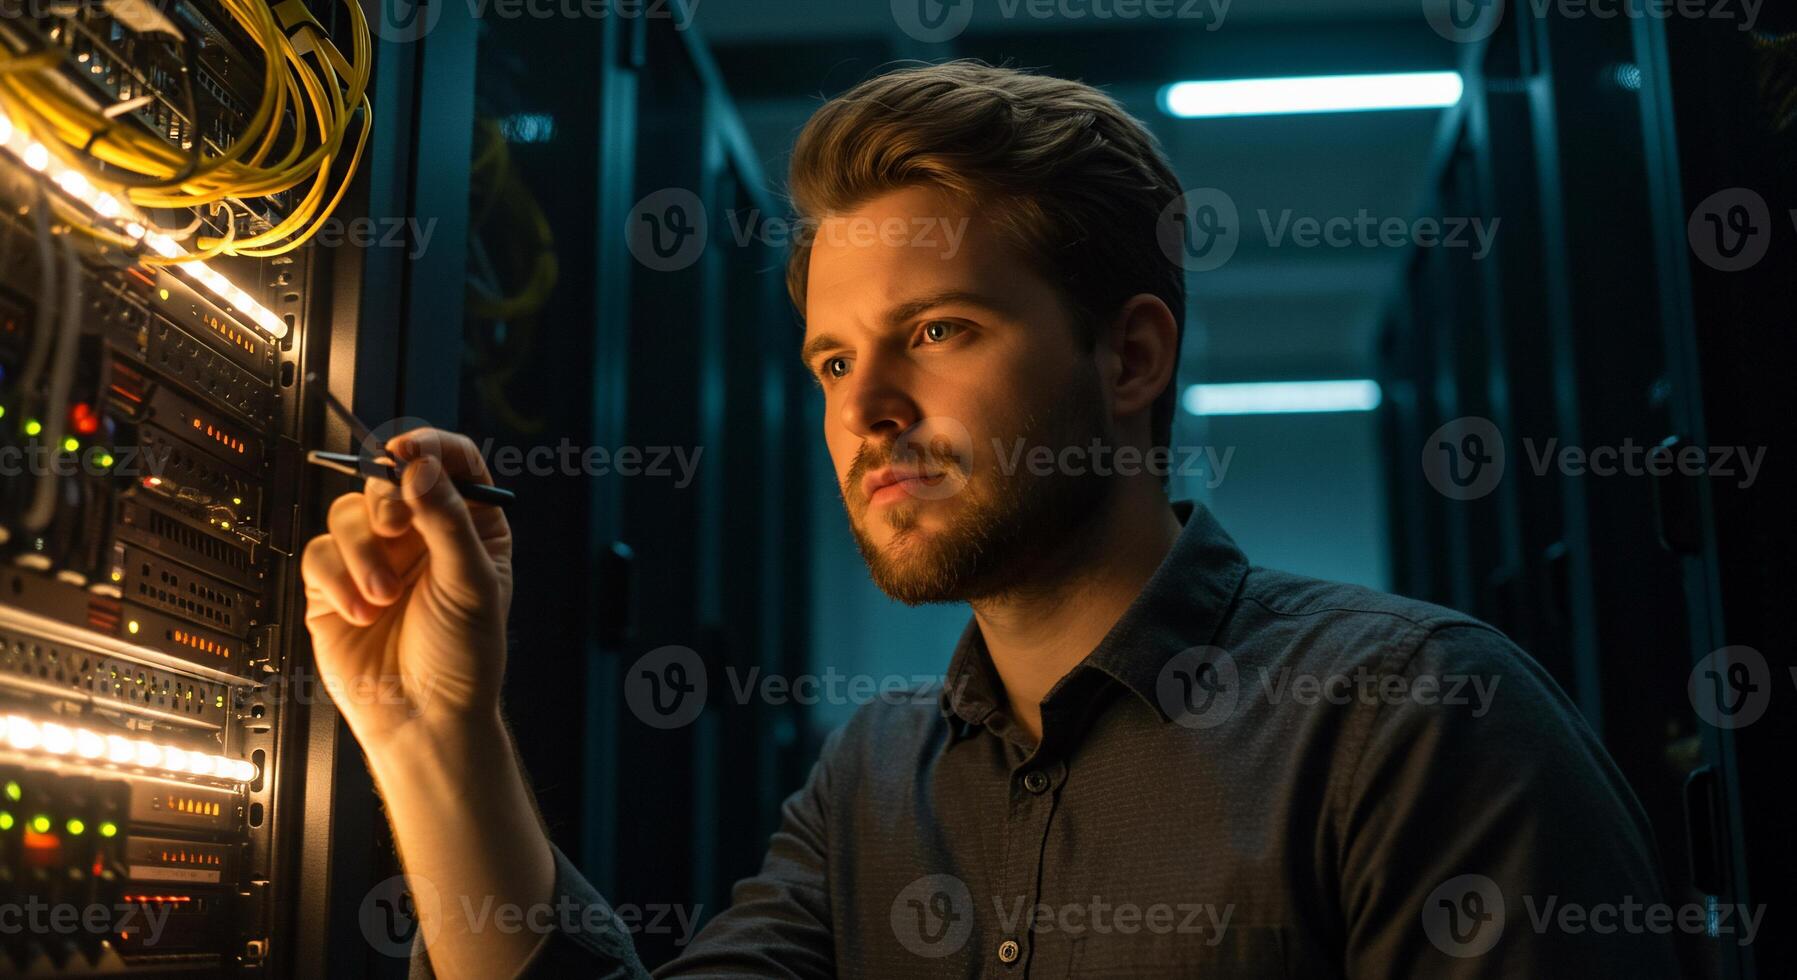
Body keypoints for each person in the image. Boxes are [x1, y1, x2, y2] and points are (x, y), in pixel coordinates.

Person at [301, 61, 1680, 978]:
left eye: (937, 331)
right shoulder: (874, 781)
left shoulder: (1408, 718)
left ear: (1129, 358)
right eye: (835, 362)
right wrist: (434, 733)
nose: (865, 412)